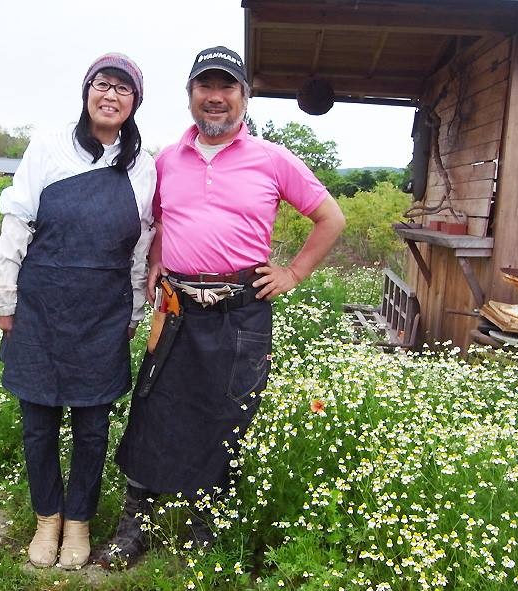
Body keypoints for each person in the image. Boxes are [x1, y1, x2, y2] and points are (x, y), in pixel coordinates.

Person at [98, 46, 346, 567]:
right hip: (176, 307)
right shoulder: (167, 159)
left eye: (226, 88)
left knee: (226, 417)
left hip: (242, 311)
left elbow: (332, 219)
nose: (215, 98)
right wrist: (158, 263)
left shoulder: (273, 159)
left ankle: (203, 529)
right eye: (204, 87)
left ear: (244, 97)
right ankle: (133, 525)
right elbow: (162, 219)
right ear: (190, 97)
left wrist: (294, 272)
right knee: (152, 409)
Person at [0, 53, 156, 569]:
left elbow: (141, 243)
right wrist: (4, 295)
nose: (111, 95)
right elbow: (17, 221)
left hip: (103, 311)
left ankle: (78, 521)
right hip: (40, 302)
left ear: (135, 103)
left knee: (92, 424)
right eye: (103, 84)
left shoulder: (143, 165)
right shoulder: (49, 148)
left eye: (123, 90)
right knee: (37, 420)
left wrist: (133, 307)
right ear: (87, 91)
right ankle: (47, 519)